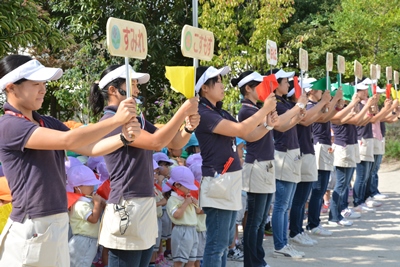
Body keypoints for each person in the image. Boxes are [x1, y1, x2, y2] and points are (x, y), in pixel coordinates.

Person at [0, 55, 140, 267]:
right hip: (33, 223)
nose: (43, 89)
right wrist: (117, 120)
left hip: (55, 220)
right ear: (11, 88)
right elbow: (68, 139)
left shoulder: (45, 121)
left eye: (44, 84)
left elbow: (88, 148)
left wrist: (122, 138)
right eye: (35, 84)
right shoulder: (10, 125)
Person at [89, 64, 199, 267]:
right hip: (127, 205)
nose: (137, 90)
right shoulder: (112, 121)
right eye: (132, 85)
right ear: (113, 90)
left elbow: (173, 143)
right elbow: (157, 142)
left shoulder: (135, 119)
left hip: (144, 203)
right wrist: (183, 110)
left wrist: (188, 128)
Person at [195, 65, 277, 267]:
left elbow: (248, 135)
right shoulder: (203, 113)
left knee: (223, 244)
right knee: (216, 245)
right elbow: (241, 128)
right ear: (204, 87)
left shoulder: (219, 111)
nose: (223, 85)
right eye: (218, 81)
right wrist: (265, 110)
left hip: (228, 181)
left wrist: (267, 125)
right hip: (218, 181)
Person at [231, 71, 278, 267]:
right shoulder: (247, 111)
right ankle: (253, 261)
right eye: (258, 85)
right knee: (255, 220)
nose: (263, 88)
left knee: (261, 219)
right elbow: (251, 135)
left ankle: (258, 259)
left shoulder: (257, 108)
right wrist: (267, 120)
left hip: (265, 165)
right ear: (247, 88)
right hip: (257, 165)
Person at [269, 69, 307, 259]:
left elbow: (285, 125)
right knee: (281, 204)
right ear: (276, 84)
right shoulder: (274, 103)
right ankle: (280, 243)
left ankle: (284, 242)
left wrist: (297, 117)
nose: (288, 85)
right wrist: (297, 107)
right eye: (285, 81)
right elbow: (278, 124)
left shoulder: (284, 102)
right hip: (282, 153)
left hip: (291, 151)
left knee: (287, 203)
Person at [329, 82, 375, 226]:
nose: (344, 99)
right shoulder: (334, 112)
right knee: (341, 184)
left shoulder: (343, 109)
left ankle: (342, 211)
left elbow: (359, 122)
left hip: (350, 146)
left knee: (345, 185)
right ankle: (334, 216)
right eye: (341, 97)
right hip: (343, 148)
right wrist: (363, 106)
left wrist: (369, 112)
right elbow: (352, 119)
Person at [306, 84, 345, 236]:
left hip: (325, 145)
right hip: (319, 146)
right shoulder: (310, 106)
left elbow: (328, 117)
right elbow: (322, 118)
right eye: (319, 90)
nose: (322, 92)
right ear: (311, 91)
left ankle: (315, 222)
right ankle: (313, 224)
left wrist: (335, 103)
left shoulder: (317, 105)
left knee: (322, 187)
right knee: (318, 188)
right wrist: (334, 99)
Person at [67, 164, 106, 267]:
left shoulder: (87, 200)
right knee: (81, 263)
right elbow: (93, 219)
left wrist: (100, 203)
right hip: (83, 240)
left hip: (89, 239)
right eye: (88, 185)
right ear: (77, 187)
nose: (92, 187)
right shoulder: (79, 203)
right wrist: (97, 204)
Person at [163, 166, 200, 267]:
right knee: (179, 261)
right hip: (182, 231)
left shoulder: (186, 197)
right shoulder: (173, 200)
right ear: (177, 185)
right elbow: (177, 215)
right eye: (188, 187)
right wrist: (186, 203)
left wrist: (196, 203)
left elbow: (199, 211)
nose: (190, 190)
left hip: (192, 230)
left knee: (191, 260)